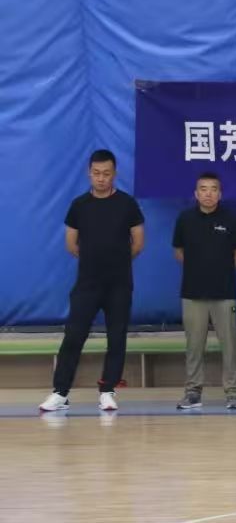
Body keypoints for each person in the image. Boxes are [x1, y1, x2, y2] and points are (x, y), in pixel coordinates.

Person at [41, 150, 145, 413]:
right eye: (96, 173)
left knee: (117, 337)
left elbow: (138, 242)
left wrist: (117, 261)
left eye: (106, 174)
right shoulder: (79, 205)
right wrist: (94, 260)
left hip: (119, 284)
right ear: (89, 173)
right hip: (87, 284)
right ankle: (60, 393)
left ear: (114, 174)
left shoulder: (127, 204)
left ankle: (108, 391)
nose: (101, 178)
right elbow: (71, 244)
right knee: (74, 336)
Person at [173, 172, 236, 410]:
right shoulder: (185, 219)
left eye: (213, 189)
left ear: (220, 193)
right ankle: (193, 392)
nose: (208, 193)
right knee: (194, 345)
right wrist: (198, 271)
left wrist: (222, 273)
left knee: (230, 344)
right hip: (192, 293)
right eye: (203, 189)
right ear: (196, 194)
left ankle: (233, 392)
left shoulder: (231, 219)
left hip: (225, 293)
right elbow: (179, 251)